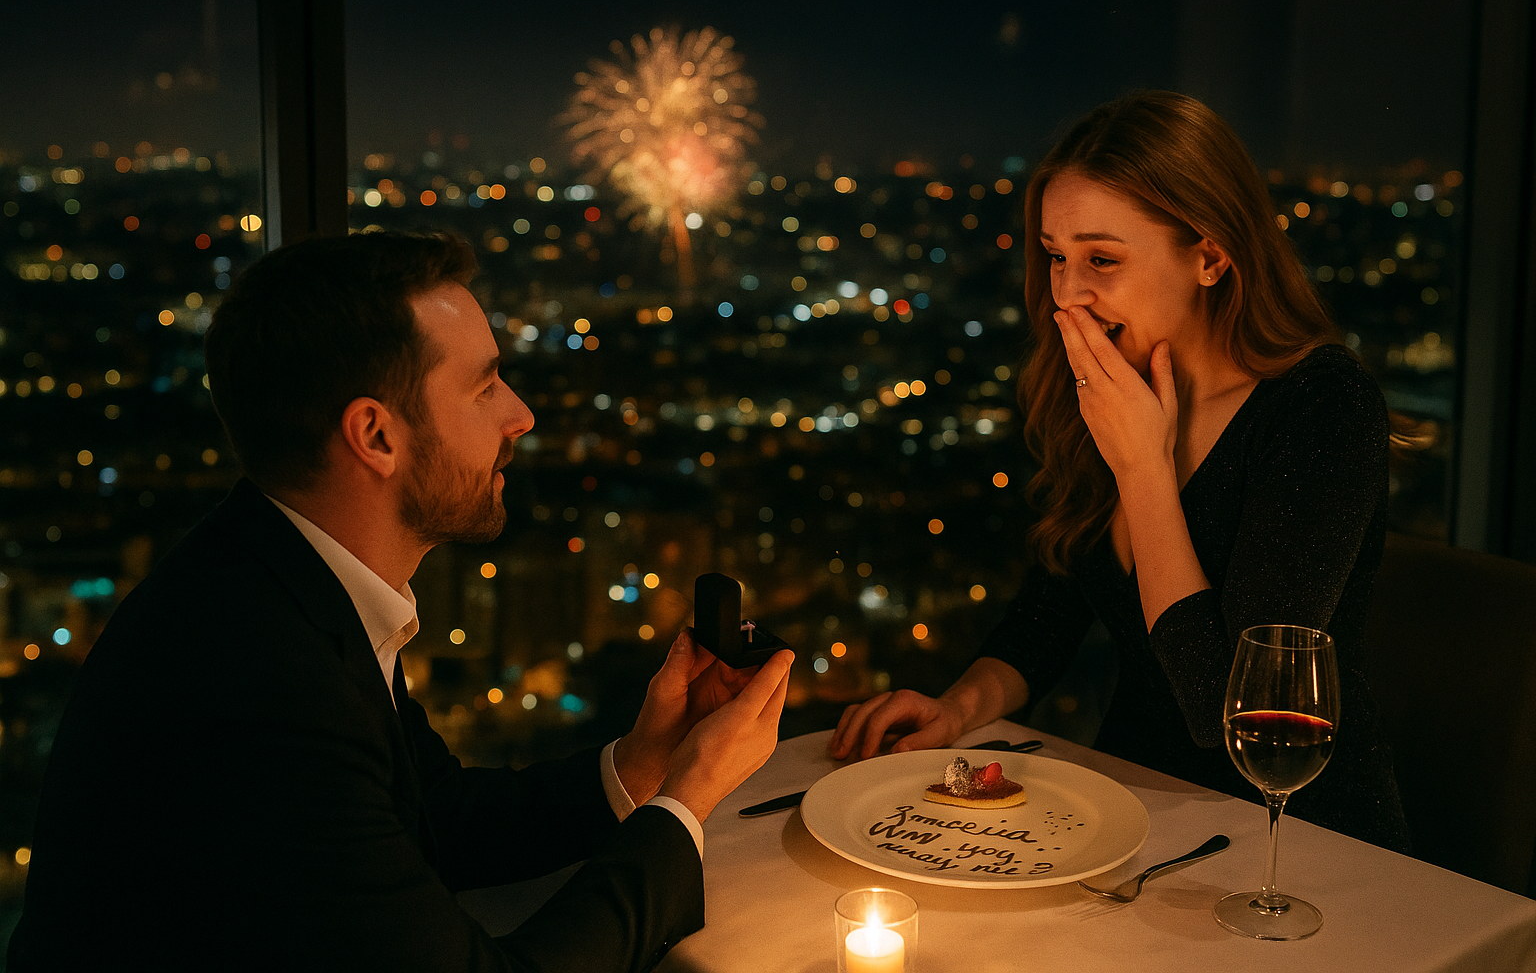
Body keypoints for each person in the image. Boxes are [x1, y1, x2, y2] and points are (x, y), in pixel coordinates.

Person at [8, 231, 794, 970]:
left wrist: (642, 762)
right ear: (376, 437)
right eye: (484, 387)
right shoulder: (258, 682)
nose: (520, 415)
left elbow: (432, 815)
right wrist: (687, 797)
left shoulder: (277, 578)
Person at [830, 90, 1411, 852]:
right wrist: (958, 708)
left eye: (1102, 259)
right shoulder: (1111, 381)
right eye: (1056, 256)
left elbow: (1226, 709)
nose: (1068, 291)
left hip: (1300, 837)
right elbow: (1051, 608)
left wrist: (1143, 469)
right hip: (1131, 808)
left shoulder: (1323, 406)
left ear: (1209, 257)